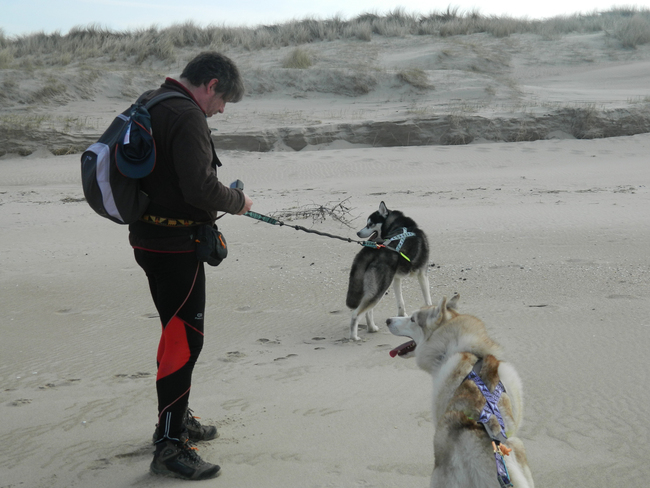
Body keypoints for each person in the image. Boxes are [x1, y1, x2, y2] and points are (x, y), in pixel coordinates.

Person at [127, 52, 253, 480]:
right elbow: (200, 188)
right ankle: (170, 446)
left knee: (173, 336)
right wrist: (239, 203)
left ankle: (175, 420)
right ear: (211, 84)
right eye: (224, 102)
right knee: (184, 342)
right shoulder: (186, 114)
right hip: (175, 246)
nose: (220, 111)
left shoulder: (153, 100)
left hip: (147, 239)